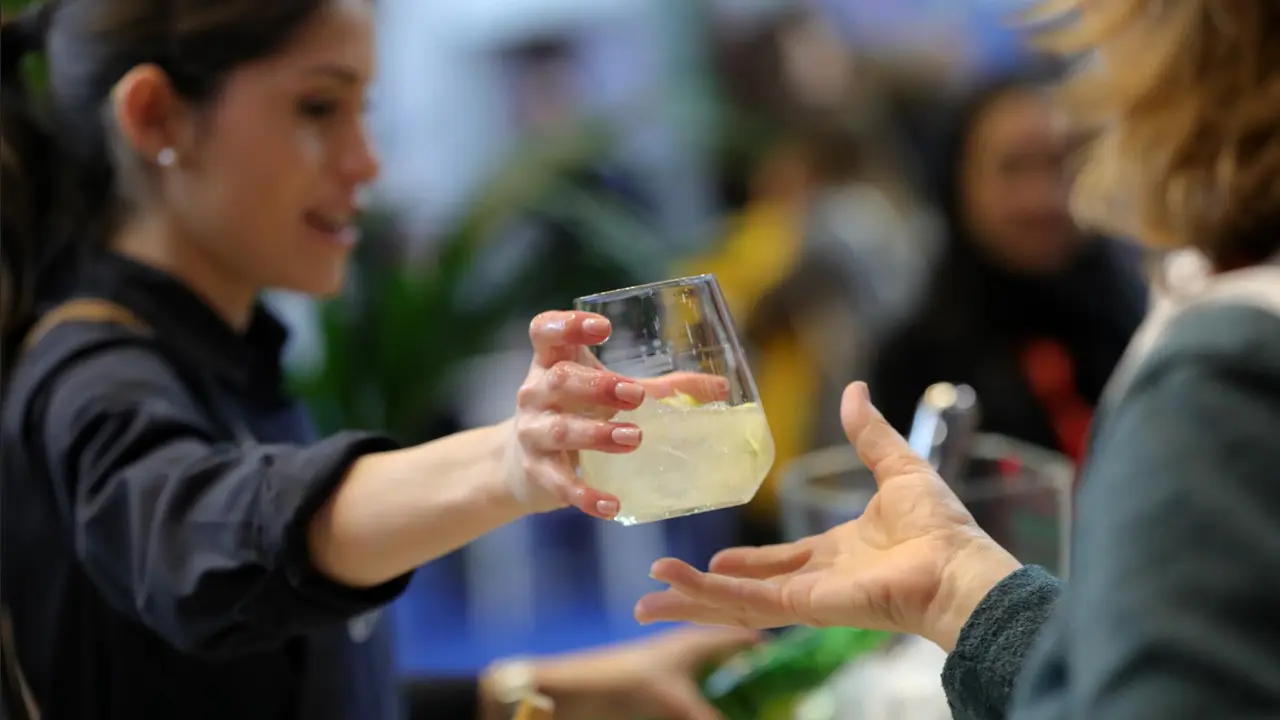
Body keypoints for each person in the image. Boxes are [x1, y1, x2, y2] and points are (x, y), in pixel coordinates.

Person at [0, 2, 757, 720]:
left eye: (364, 110)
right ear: (156, 116)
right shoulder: (89, 376)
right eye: (319, 109)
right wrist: (511, 462)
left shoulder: (227, 355)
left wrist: (545, 692)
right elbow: (197, 538)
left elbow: (269, 685)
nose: (367, 163)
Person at [632, 1, 1280, 718]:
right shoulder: (918, 343)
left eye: (1062, 160)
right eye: (1013, 169)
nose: (1048, 194)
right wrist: (966, 593)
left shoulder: (1209, 359)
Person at [869, 75, 1148, 464]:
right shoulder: (913, 364)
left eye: (1058, 165)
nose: (1040, 198)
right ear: (958, 183)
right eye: (1012, 168)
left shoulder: (1141, 327)